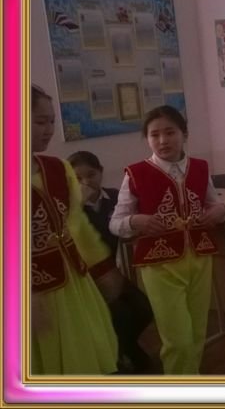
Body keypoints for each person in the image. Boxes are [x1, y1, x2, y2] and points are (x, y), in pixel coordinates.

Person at [109, 105, 225, 374]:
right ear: (147, 138)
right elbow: (115, 223)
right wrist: (135, 221)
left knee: (197, 333)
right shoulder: (136, 173)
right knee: (178, 340)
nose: (163, 141)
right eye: (155, 135)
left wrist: (219, 211)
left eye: (170, 132)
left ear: (184, 134)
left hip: (200, 257)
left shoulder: (199, 167)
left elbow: (216, 203)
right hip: (160, 264)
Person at [30, 84, 118, 374]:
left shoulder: (58, 168)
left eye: (52, 121)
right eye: (40, 122)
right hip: (33, 288)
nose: (49, 130)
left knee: (85, 352)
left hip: (72, 281)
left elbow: (77, 224)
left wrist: (103, 268)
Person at [67, 150, 154, 374]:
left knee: (144, 309)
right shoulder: (69, 209)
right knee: (120, 315)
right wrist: (77, 205)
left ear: (101, 172)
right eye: (77, 178)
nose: (86, 182)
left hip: (114, 272)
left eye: (91, 175)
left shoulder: (114, 198)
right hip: (88, 278)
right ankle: (122, 358)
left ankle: (123, 350)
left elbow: (126, 226)